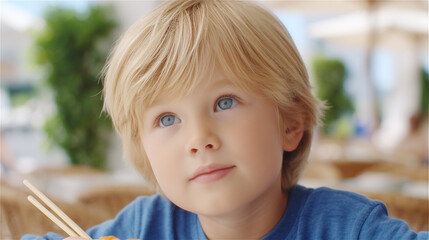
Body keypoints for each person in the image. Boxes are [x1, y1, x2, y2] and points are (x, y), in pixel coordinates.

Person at [23, 0, 428, 239]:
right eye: (166, 119)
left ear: (290, 123)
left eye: (225, 102)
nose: (199, 139)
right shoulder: (145, 227)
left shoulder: (347, 228)